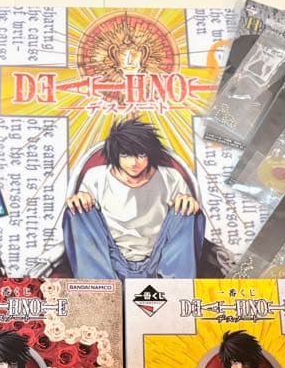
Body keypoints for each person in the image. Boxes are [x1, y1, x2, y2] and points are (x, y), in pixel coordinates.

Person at [60, 118, 204, 279]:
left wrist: (188, 203)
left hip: (160, 258)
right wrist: (81, 199)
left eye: (141, 155)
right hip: (109, 260)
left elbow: (183, 223)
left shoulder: (171, 177)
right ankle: (99, 286)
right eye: (125, 155)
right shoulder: (96, 176)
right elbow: (84, 222)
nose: (133, 163)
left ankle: (174, 284)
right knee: (77, 211)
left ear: (150, 153)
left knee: (188, 211)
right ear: (115, 154)